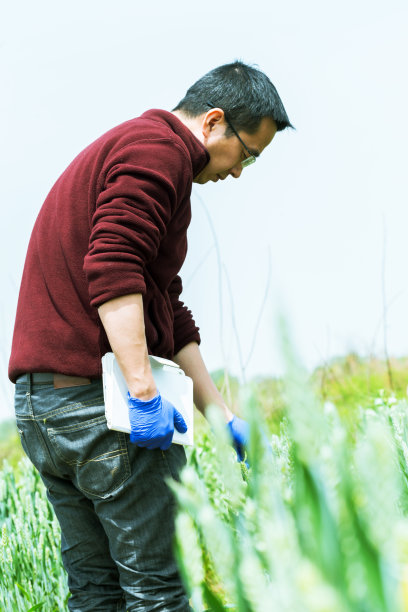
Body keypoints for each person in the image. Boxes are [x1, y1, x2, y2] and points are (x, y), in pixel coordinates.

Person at [8, 60, 292, 611]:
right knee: (159, 592)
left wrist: (219, 414)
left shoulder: (134, 151)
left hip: (46, 410)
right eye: (248, 154)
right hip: (105, 414)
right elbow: (114, 265)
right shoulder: (157, 152)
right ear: (213, 123)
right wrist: (142, 393)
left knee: (96, 594)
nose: (239, 172)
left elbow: (166, 305)